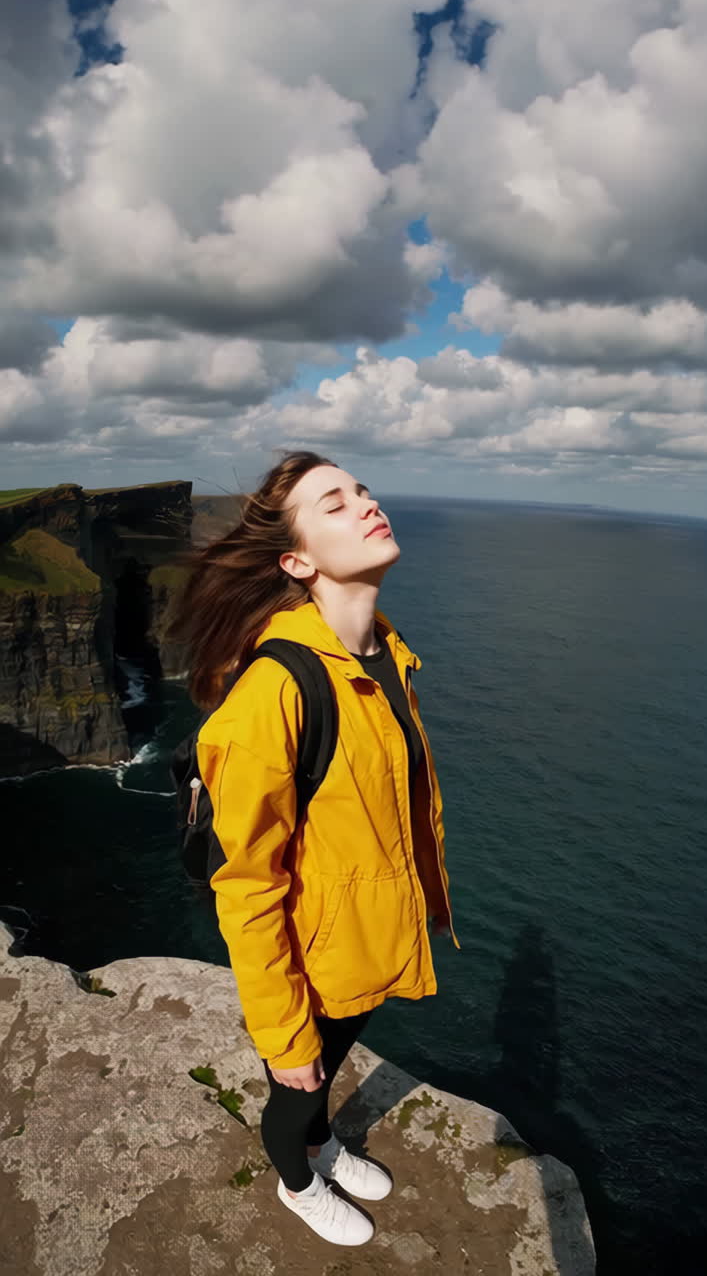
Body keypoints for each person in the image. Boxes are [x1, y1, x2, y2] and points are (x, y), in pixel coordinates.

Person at [174, 450, 459, 1246]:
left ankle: (322, 1143)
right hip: (311, 956)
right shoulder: (275, 693)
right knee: (298, 1083)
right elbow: (247, 883)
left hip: (363, 940)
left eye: (362, 489)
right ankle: (298, 1181)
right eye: (334, 503)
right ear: (298, 561)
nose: (366, 503)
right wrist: (281, 1030)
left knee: (330, 1069)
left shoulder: (383, 654)